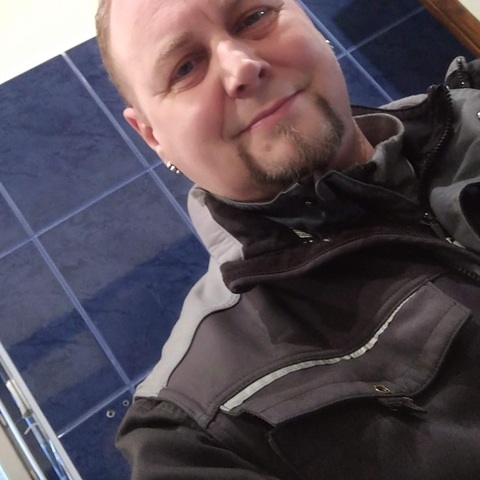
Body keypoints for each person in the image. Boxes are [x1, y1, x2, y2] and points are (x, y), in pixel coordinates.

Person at [96, 0, 480, 478]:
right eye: (185, 67)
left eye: (254, 17)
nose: (242, 67)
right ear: (153, 136)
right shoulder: (198, 433)